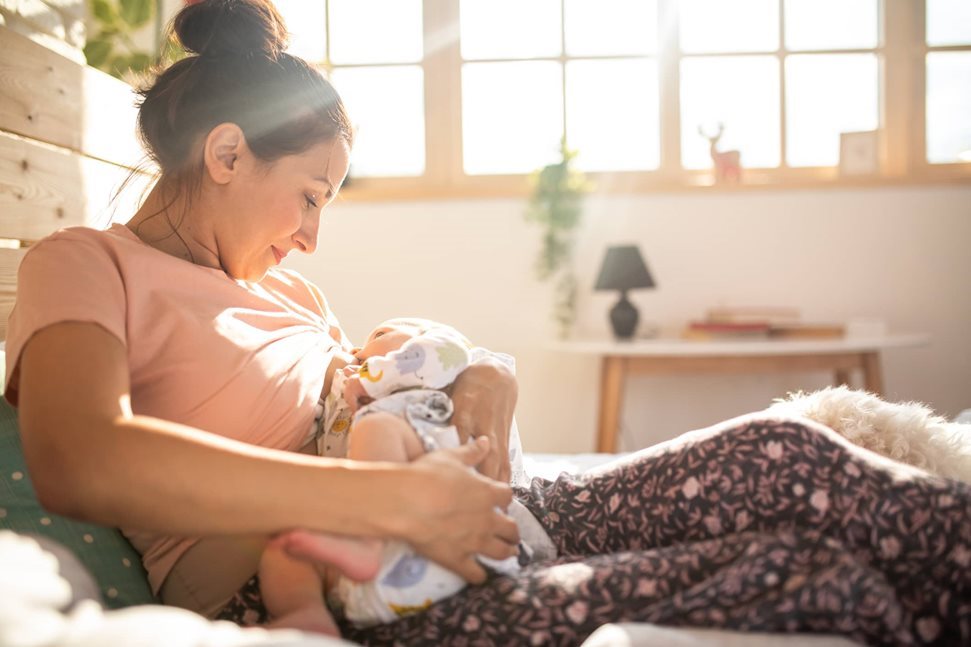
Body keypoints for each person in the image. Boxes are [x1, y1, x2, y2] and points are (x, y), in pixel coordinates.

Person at [5, 1, 969, 645]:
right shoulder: (82, 265)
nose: (310, 238)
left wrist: (478, 368)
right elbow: (82, 458)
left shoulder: (288, 294)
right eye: (308, 197)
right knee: (805, 579)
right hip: (329, 579)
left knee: (784, 453)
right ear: (224, 154)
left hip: (460, 510)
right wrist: (376, 504)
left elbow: (377, 389)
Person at [260, 317, 532, 634]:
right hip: (382, 584)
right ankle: (307, 616)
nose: (358, 350)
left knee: (376, 427)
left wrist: (374, 379)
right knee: (285, 549)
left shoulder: (435, 378)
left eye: (379, 334)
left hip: (449, 530)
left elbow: (446, 353)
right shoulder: (343, 402)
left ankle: (368, 540)